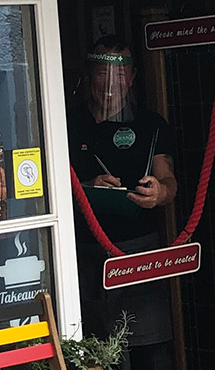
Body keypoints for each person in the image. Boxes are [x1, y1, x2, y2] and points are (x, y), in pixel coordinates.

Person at [67, 40, 179, 370]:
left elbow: (169, 180)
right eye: (103, 72)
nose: (112, 81)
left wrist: (159, 192)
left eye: (120, 72)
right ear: (89, 76)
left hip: (141, 254)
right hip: (87, 256)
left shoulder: (151, 124)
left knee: (152, 354)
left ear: (132, 77)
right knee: (100, 355)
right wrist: (85, 189)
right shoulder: (67, 124)